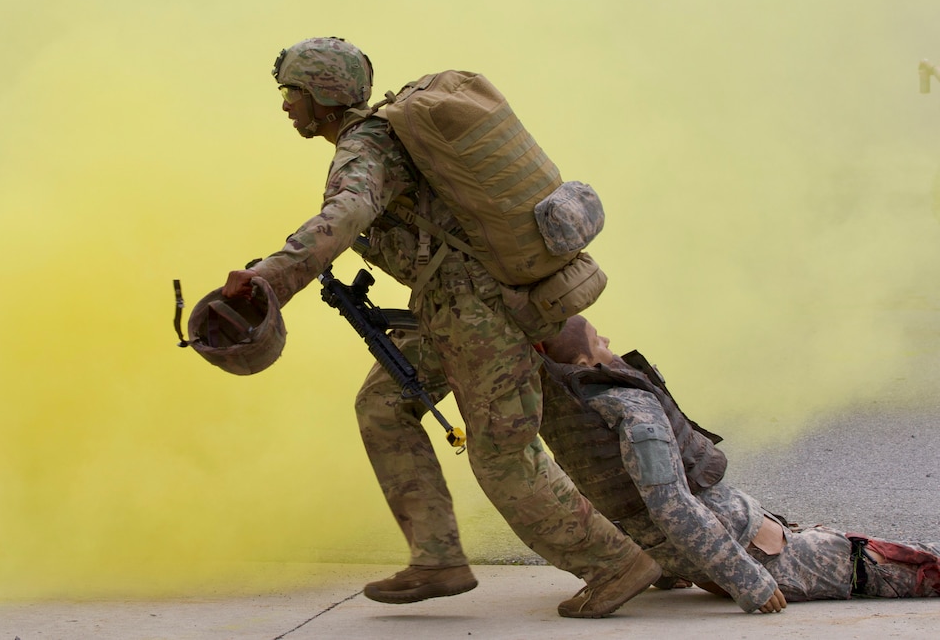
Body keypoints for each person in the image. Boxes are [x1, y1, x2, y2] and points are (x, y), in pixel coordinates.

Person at [219, 36, 660, 618]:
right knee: (381, 405)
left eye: (291, 93)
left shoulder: (367, 146)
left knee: (502, 454)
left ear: (323, 96)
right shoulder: (377, 137)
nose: (285, 106)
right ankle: (437, 558)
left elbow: (346, 214)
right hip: (449, 310)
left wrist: (270, 280)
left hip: (478, 313)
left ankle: (614, 563)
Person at [537, 315, 940, 613]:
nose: (608, 340)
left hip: (735, 546)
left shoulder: (577, 416)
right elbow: (670, 505)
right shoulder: (632, 408)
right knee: (882, 564)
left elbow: (630, 507)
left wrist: (664, 570)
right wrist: (750, 583)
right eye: (599, 341)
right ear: (587, 363)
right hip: (760, 554)